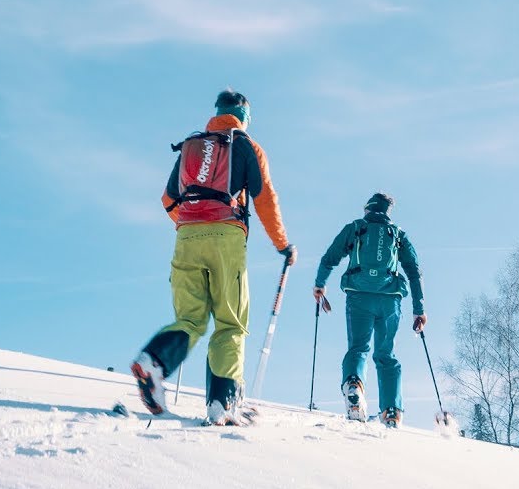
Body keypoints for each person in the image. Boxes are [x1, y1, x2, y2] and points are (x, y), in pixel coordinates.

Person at [131, 89, 297, 426]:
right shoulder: (246, 145)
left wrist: (192, 226)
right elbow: (264, 198)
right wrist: (283, 244)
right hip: (226, 237)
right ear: (244, 116)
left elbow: (168, 198)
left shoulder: (192, 145)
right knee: (230, 322)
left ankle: (153, 361)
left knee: (190, 319)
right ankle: (222, 404)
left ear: (217, 112)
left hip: (187, 235)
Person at [312, 192, 425, 427]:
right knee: (386, 355)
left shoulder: (355, 228)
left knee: (358, 348)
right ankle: (391, 411)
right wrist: (419, 309)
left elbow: (329, 258)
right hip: (390, 299)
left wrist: (320, 284)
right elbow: (414, 271)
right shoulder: (398, 235)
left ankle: (353, 384)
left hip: (359, 296)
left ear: (368, 209)